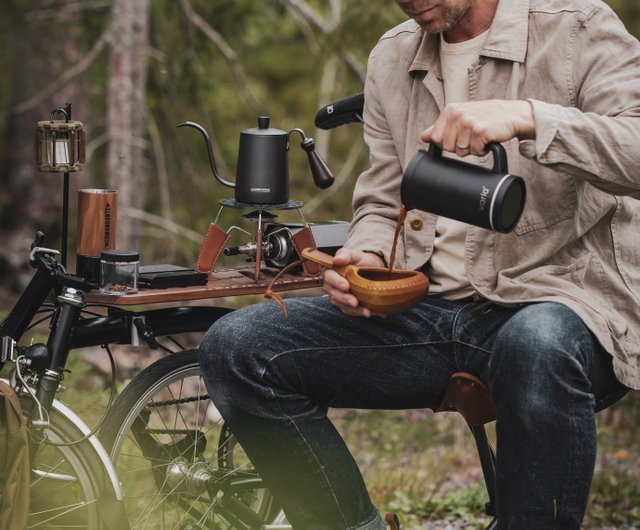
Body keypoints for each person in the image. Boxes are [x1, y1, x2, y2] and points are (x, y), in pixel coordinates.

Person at [199, 0, 640, 528]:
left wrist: (528, 117)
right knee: (238, 347)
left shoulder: (578, 27)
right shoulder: (393, 55)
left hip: (562, 303)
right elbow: (384, 198)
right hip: (430, 313)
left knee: (535, 341)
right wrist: (364, 254)